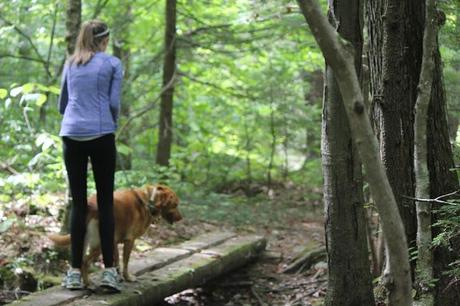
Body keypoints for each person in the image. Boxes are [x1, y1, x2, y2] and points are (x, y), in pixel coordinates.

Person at [58, 20, 123, 292]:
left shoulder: (70, 64)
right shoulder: (112, 64)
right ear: (104, 39)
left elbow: (62, 105)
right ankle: (109, 273)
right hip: (101, 135)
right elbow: (113, 103)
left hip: (71, 135)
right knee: (105, 203)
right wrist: (111, 125)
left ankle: (74, 272)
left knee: (79, 203)